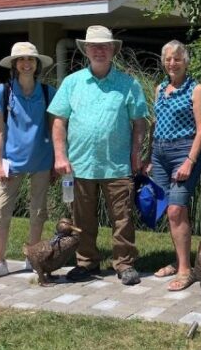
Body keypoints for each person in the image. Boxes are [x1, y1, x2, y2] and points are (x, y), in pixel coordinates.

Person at [48, 26, 149, 286]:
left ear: (113, 50)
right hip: (80, 165)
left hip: (117, 165)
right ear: (86, 50)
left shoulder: (129, 84)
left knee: (122, 218)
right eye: (94, 46)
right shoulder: (72, 83)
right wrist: (60, 155)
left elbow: (140, 123)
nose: (100, 50)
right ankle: (86, 262)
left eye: (105, 46)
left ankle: (124, 263)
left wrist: (136, 153)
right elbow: (59, 121)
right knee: (82, 220)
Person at [0, 42, 55, 282]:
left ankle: (33, 257)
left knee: (38, 212)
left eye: (31, 59)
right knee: (0, 212)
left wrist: (57, 161)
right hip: (11, 162)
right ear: (14, 65)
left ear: (37, 64)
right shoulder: (3, 92)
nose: (26, 63)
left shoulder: (49, 92)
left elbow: (55, 128)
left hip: (42, 160)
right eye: (21, 60)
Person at [147, 41, 201, 291]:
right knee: (170, 211)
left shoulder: (196, 89)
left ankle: (185, 270)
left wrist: (189, 161)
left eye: (177, 58)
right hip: (160, 153)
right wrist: (150, 157)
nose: (172, 63)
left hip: (184, 152)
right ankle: (179, 261)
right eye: (168, 59)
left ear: (186, 61)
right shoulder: (160, 88)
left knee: (176, 209)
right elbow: (156, 123)